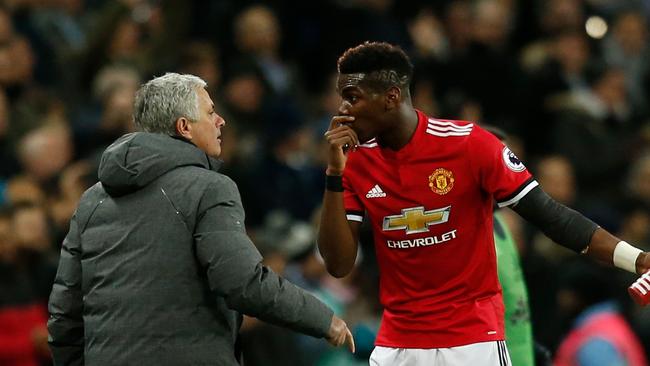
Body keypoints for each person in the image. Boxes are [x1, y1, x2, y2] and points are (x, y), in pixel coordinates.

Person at [318, 42, 649, 366]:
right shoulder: (356, 164)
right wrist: (334, 172)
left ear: (391, 97)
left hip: (473, 342)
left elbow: (552, 217)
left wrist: (638, 260)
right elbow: (338, 264)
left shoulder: (468, 145)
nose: (342, 110)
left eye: (352, 98)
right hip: (397, 344)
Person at [47, 72, 354, 366]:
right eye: (210, 113)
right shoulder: (209, 187)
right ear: (184, 127)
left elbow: (65, 311)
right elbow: (243, 281)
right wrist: (322, 319)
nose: (220, 121)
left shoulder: (91, 199)